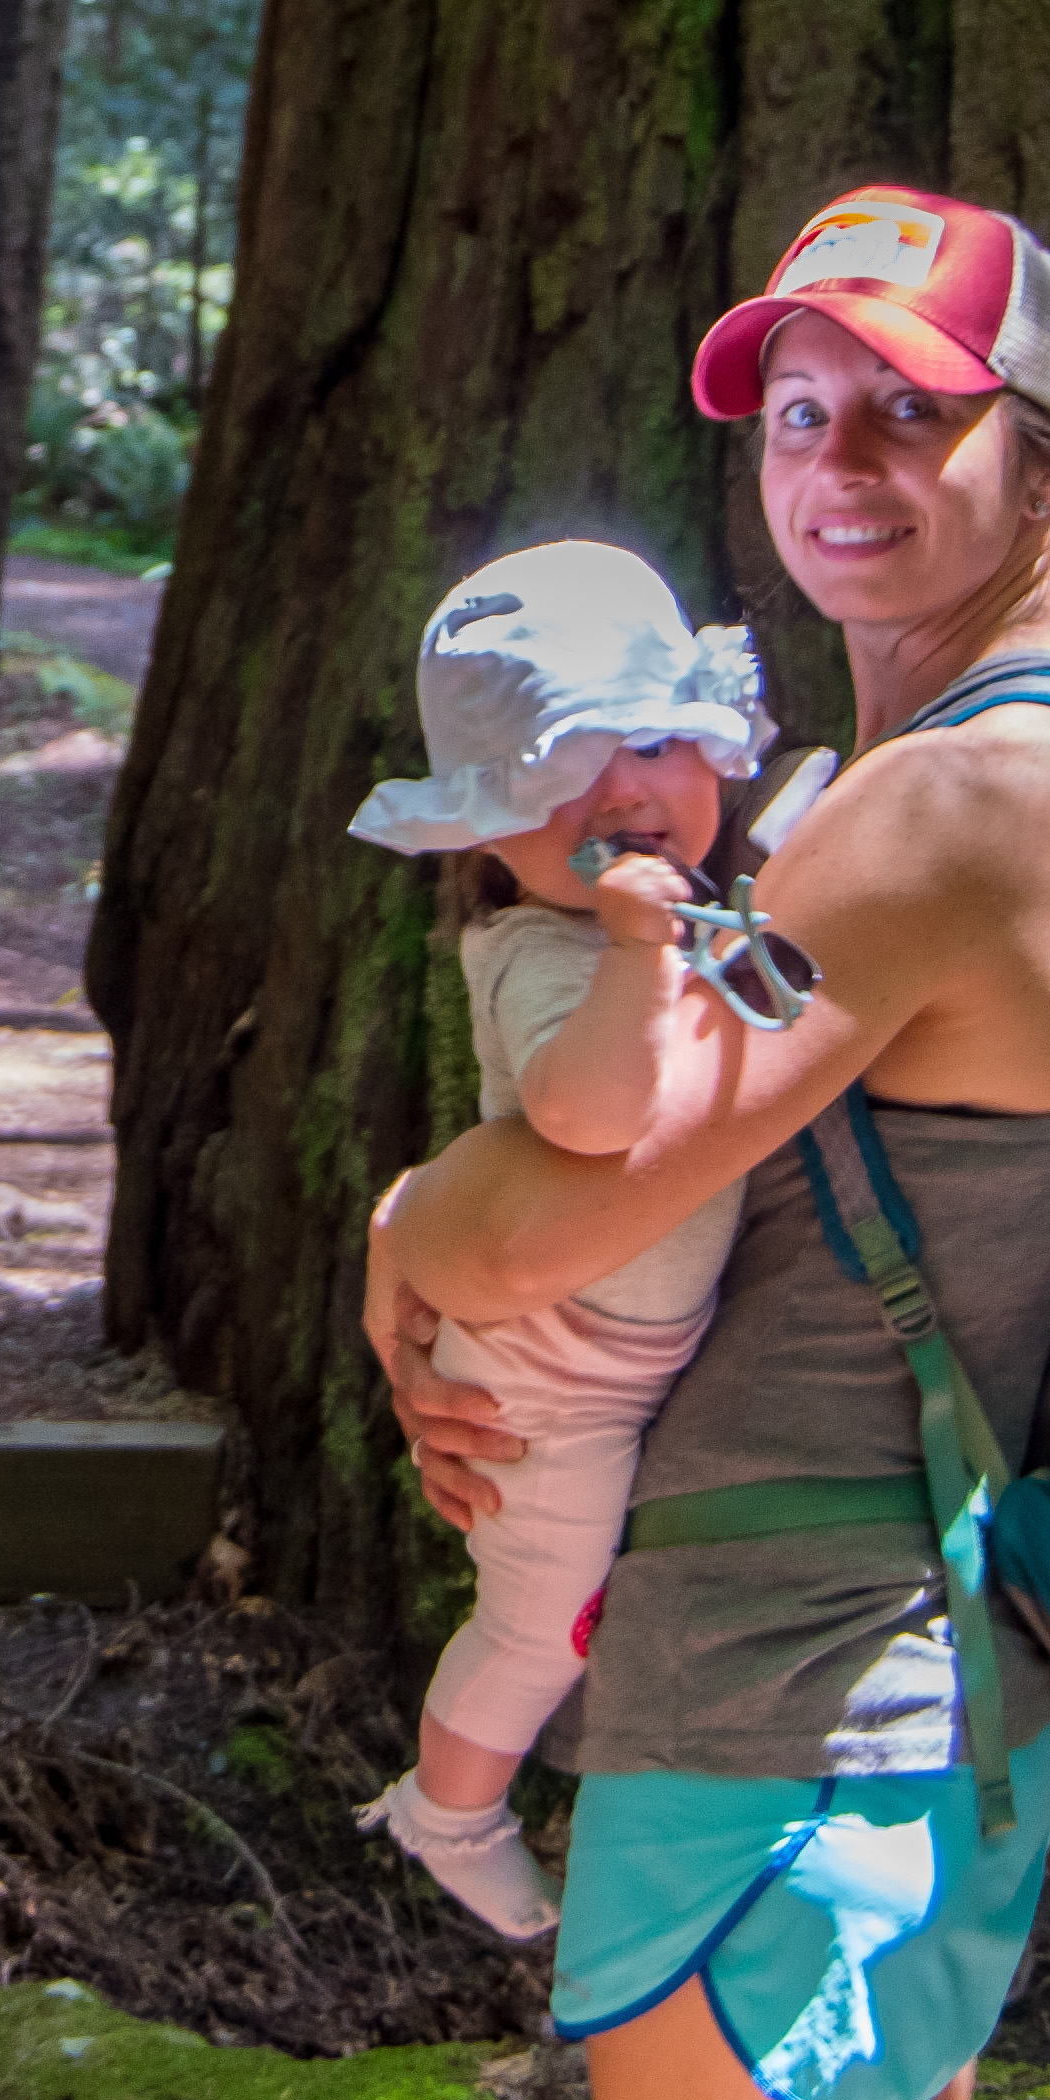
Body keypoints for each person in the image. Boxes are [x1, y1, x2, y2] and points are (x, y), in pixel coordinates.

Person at [363, 185, 1050, 2100]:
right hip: (889, 1686)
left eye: (912, 411)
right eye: (800, 411)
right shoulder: (1046, 756)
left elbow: (548, 1213)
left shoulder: (954, 801)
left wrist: (401, 1227)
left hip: (796, 1712)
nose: (841, 460)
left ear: (1048, 456)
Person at [335, 536, 780, 1937]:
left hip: (639, 1358)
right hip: (550, 1381)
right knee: (541, 1620)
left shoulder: (696, 913)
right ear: (488, 828)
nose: (625, 791)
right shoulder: (546, 954)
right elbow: (592, 1125)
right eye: (562, 764)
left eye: (654, 738)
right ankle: (448, 1811)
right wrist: (645, 957)